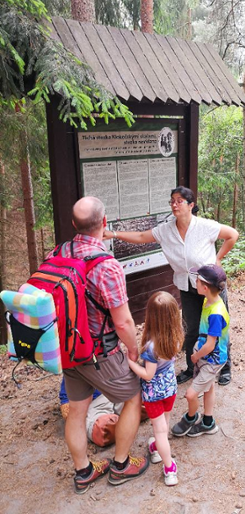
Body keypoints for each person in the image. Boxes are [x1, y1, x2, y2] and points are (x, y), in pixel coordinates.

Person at [57, 196, 149, 494]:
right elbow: (122, 322)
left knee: (77, 410)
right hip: (100, 353)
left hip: (68, 350)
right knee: (133, 398)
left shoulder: (58, 253)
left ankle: (84, 471)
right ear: (104, 222)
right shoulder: (106, 266)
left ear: (74, 225)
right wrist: (132, 351)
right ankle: (120, 466)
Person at [103, 186, 239, 386]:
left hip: (210, 285)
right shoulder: (165, 230)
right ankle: (192, 367)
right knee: (192, 328)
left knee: (217, 325)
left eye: (179, 201)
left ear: (191, 205)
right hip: (187, 285)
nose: (174, 205)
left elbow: (232, 235)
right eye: (172, 201)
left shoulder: (204, 226)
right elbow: (141, 237)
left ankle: (224, 367)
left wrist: (218, 259)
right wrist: (114, 234)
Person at [127, 291, 184, 486]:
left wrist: (132, 364)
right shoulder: (176, 336)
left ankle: (170, 468)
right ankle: (157, 449)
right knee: (163, 426)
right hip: (170, 389)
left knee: (159, 431)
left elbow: (148, 375)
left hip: (154, 395)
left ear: (151, 316)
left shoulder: (151, 347)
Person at [171, 264, 230, 437]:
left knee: (190, 394)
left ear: (204, 287)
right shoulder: (208, 300)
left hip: (212, 359)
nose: (194, 283)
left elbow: (211, 345)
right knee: (209, 387)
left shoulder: (216, 313)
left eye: (196, 280)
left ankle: (190, 417)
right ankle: (208, 422)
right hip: (208, 356)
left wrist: (196, 356)